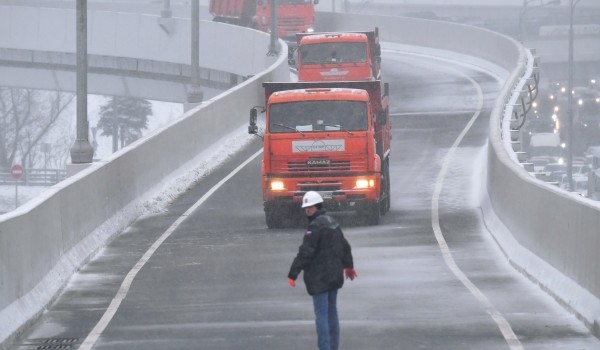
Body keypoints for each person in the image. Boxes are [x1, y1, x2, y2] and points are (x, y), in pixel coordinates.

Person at [287, 191, 357, 350]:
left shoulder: (314, 227)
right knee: (332, 313)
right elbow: (344, 246)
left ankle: (325, 348)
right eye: (306, 208)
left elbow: (306, 251)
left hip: (320, 278)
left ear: (317, 207)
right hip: (333, 275)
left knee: (322, 315)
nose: (307, 211)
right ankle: (333, 347)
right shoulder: (332, 222)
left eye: (309, 208)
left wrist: (293, 273)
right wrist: (348, 266)